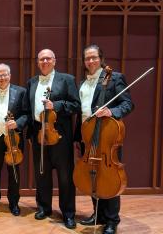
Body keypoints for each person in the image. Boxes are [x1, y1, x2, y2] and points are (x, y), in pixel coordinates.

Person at [75, 44, 133, 234]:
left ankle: (111, 220)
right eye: (87, 58)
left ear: (101, 58)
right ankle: (97, 214)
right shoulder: (83, 83)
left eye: (94, 57)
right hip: (88, 136)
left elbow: (128, 104)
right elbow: (82, 112)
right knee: (92, 175)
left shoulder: (114, 78)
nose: (90, 61)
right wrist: (79, 136)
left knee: (108, 177)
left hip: (107, 138)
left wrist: (111, 111)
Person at [26, 49, 80, 229]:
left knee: (65, 177)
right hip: (39, 135)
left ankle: (68, 213)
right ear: (37, 62)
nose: (45, 61)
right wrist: (29, 135)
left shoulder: (67, 79)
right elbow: (28, 109)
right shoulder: (32, 82)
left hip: (60, 137)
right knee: (41, 174)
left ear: (55, 61)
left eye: (48, 58)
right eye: (41, 59)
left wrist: (55, 105)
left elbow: (76, 105)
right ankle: (44, 207)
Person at [0, 63, 28, 217]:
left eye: (5, 75)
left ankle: (14, 203)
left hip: (13, 138)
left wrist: (18, 123)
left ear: (10, 75)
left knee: (14, 172)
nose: (2, 78)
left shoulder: (21, 92)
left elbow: (26, 114)